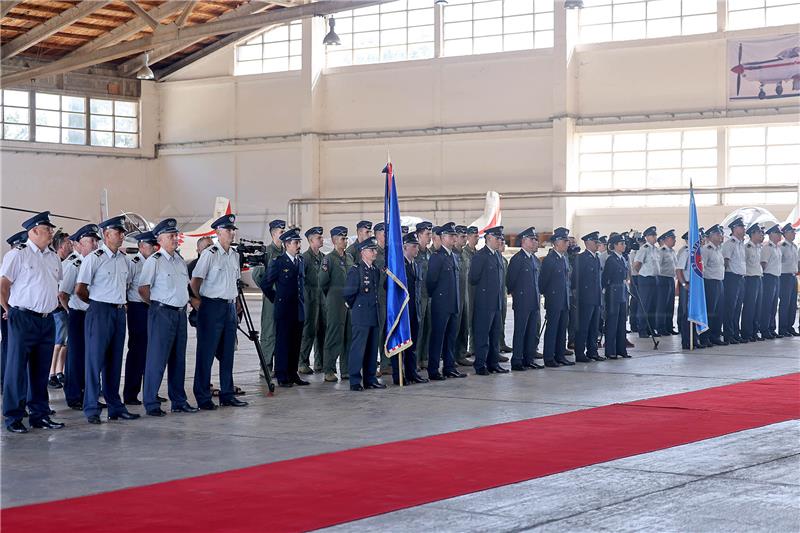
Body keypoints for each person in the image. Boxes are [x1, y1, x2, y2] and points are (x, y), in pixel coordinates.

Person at [1, 212, 66, 433]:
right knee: (16, 370)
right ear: (34, 231)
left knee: (40, 371)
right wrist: (8, 309)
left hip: (46, 320)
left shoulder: (53, 257)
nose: (51, 233)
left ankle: (40, 415)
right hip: (23, 317)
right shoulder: (18, 255)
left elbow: (53, 285)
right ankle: (13, 417)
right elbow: (3, 285)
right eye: (47, 230)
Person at [76, 215, 141, 425]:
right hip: (99, 311)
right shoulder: (94, 258)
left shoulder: (125, 260)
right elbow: (80, 289)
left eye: (123, 232)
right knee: (94, 361)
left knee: (114, 362)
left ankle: (115, 406)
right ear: (106, 235)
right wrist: (97, 304)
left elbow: (128, 284)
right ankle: (92, 408)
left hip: (118, 312)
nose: (122, 236)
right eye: (118, 232)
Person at [139, 218, 198, 417]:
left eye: (175, 235)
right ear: (160, 240)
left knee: (178, 360)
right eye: (171, 236)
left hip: (180, 314)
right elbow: (143, 289)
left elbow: (184, 288)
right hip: (162, 313)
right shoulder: (154, 261)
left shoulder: (180, 261)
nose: (175, 239)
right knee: (157, 359)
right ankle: (151, 402)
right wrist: (158, 305)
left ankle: (179, 401)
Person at [190, 214, 248, 410]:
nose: (232, 233)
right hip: (212, 306)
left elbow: (235, 282)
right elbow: (195, 281)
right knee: (206, 354)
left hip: (229, 307)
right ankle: (203, 396)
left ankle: (227, 394)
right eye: (228, 230)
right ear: (218, 232)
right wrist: (204, 299)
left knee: (227, 354)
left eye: (233, 230)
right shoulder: (210, 254)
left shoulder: (234, 255)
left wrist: (235, 302)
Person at [59, 224, 100, 410]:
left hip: (93, 314)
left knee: (92, 355)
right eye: (91, 241)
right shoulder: (73, 264)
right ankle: (74, 395)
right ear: (78, 245)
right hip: (78, 315)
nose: (95, 244)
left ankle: (90, 393)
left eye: (96, 240)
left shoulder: (96, 261)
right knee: (76, 356)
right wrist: (70, 312)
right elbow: (63, 294)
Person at [260, 228, 307, 388]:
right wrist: (275, 299)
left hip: (298, 310)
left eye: (299, 242)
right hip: (284, 310)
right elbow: (265, 283)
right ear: (287, 244)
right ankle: (282, 375)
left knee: (295, 343)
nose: (298, 245)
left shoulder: (300, 261)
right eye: (295, 242)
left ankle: (293, 374)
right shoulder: (278, 262)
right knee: (283, 343)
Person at [343, 237, 386, 391]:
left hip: (373, 314)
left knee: (372, 349)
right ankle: (355, 380)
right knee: (358, 349)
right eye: (371, 250)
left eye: (375, 249)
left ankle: (370, 379)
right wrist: (357, 308)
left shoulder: (375, 270)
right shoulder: (356, 270)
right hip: (361, 315)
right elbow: (348, 294)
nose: (375, 252)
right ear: (363, 252)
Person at [425, 223, 467, 380]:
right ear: (442, 238)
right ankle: (434, 369)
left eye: (455, 235)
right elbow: (431, 281)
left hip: (453, 304)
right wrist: (437, 298)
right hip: (441, 305)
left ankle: (449, 367)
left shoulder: (454, 256)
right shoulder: (437, 257)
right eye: (451, 236)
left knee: (451, 337)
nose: (454, 238)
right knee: (438, 338)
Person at [123, 231, 158, 406]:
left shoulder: (156, 261)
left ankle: (151, 392)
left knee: (153, 351)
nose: (155, 248)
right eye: (152, 245)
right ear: (142, 246)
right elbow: (125, 285)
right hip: (138, 308)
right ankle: (130, 393)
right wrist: (127, 305)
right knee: (137, 351)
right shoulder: (133, 263)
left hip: (153, 307)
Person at [469, 226, 509, 375]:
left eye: (501, 238)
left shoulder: (497, 256)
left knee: (494, 335)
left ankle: (493, 363)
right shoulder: (481, 256)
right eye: (497, 238)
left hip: (496, 302)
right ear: (489, 238)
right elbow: (473, 278)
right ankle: (480, 365)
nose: (500, 241)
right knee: (482, 335)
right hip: (484, 303)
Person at [392, 232, 429, 385]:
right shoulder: (399, 267)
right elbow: (389, 288)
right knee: (400, 345)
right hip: (403, 312)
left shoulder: (416, 264)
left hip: (414, 311)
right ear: (405, 247)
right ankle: (398, 376)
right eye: (414, 247)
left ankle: (412, 373)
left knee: (412, 345)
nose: (417, 249)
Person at [251, 219, 286, 375]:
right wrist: (269, 291)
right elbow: (257, 274)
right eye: (281, 232)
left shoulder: (285, 252)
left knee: (282, 333)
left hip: (285, 299)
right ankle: (265, 366)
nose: (284, 234)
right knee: (269, 331)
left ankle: (279, 365)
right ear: (273, 234)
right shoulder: (266, 252)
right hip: (272, 299)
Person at [506, 227, 543, 371]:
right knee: (520, 331)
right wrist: (517, 295)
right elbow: (510, 281)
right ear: (524, 241)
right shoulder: (517, 259)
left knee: (531, 331)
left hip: (534, 300)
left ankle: (529, 359)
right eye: (532, 239)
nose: (535, 242)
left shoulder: (534, 259)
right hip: (522, 301)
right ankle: (517, 360)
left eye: (535, 239)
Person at [320, 226, 352, 382]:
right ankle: (329, 369)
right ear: (333, 240)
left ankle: (346, 369)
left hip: (350, 303)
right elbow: (323, 282)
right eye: (341, 238)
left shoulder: (349, 258)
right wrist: (332, 297)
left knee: (349, 335)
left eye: (346, 238)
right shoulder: (329, 259)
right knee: (334, 335)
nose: (344, 241)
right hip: (335, 301)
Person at [539, 227, 575, 367]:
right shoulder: (550, 259)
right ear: (556, 242)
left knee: (562, 330)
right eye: (565, 241)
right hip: (554, 300)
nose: (567, 243)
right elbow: (543, 282)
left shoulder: (563, 258)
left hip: (564, 299)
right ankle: (549, 357)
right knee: (552, 329)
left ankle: (560, 356)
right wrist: (549, 295)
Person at [1, 230, 28, 392]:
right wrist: (7, 309)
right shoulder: (10, 260)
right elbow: (4, 288)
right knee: (9, 348)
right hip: (9, 308)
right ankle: (6, 382)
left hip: (14, 309)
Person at [572, 231, 603, 363]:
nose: (597, 245)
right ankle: (580, 353)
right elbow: (575, 279)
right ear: (588, 243)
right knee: (583, 327)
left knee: (594, 327)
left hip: (595, 297)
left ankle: (592, 351)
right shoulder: (581, 258)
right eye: (595, 242)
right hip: (585, 298)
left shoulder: (596, 258)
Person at [299, 226, 325, 375]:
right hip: (309, 299)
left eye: (321, 237)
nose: (321, 239)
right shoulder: (305, 258)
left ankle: (319, 362)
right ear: (310, 241)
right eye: (318, 238)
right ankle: (302, 362)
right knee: (308, 331)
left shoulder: (322, 258)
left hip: (321, 299)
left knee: (322, 330)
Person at [48, 230, 72, 389]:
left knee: (64, 343)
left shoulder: (65, 262)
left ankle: (59, 371)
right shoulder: (56, 261)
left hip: (63, 308)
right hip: (58, 308)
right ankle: (51, 374)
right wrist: (67, 308)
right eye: (69, 243)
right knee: (58, 342)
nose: (71, 245)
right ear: (62, 246)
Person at [602, 234, 630, 359]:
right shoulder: (611, 259)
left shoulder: (622, 258)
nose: (623, 246)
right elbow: (605, 278)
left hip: (622, 292)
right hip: (613, 293)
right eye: (621, 244)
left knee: (621, 323)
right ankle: (610, 350)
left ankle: (621, 349)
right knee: (612, 323)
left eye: (624, 243)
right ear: (614, 246)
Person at [721, 217, 747, 344]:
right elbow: (726, 262)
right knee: (730, 308)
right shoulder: (729, 244)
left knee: (737, 308)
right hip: (731, 278)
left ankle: (736, 333)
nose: (744, 229)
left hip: (740, 278)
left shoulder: (741, 244)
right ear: (734, 229)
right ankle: (728, 334)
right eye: (741, 227)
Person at [700, 225, 726, 347]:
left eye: (721, 234)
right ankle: (705, 337)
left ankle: (715, 336)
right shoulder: (706, 249)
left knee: (719, 311)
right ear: (710, 236)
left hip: (719, 281)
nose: (721, 236)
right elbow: (701, 268)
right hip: (709, 282)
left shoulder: (718, 249)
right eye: (718, 234)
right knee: (710, 311)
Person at [455, 225, 478, 364]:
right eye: (462, 237)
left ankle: (461, 354)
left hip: (466, 294)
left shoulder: (464, 255)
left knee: (464, 325)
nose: (465, 239)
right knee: (454, 328)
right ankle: (451, 355)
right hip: (454, 296)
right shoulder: (451, 254)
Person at [633, 226, 659, 338]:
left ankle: (651, 328)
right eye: (653, 236)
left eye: (655, 235)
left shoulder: (655, 249)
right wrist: (642, 273)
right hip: (645, 279)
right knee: (644, 304)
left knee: (653, 305)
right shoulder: (644, 248)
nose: (655, 237)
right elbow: (636, 265)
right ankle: (642, 328)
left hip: (654, 278)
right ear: (647, 237)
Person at [414, 221, 433, 370]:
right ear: (419, 235)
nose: (430, 238)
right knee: (418, 330)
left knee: (428, 327)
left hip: (429, 295)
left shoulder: (430, 253)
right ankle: (415, 359)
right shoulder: (414, 253)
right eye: (427, 235)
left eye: (431, 235)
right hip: (418, 297)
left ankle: (424, 357)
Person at [741, 223, 765, 343]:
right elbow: (743, 263)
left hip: (759, 278)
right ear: (753, 234)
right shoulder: (747, 247)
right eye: (759, 232)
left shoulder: (758, 248)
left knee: (757, 307)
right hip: (750, 279)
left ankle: (755, 331)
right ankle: (747, 332)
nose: (761, 234)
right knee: (749, 307)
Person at [760, 224, 783, 339]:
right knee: (767, 305)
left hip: (776, 278)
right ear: (772, 234)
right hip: (768, 277)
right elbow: (763, 264)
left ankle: (771, 328)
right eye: (778, 234)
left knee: (774, 305)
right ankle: (764, 329)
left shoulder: (777, 248)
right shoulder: (767, 247)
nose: (780, 236)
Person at [778, 223, 799, 337]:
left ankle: (790, 327)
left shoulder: (794, 246)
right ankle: (782, 328)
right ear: (785, 234)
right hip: (784, 277)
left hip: (793, 276)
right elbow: (778, 262)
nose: (794, 234)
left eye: (794, 232)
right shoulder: (782, 246)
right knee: (785, 303)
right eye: (792, 232)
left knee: (792, 303)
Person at [656, 229, 678, 335]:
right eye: (672, 238)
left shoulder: (672, 251)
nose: (674, 240)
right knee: (662, 305)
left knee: (670, 305)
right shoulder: (661, 251)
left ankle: (669, 326)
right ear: (666, 239)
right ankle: (661, 327)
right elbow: (657, 266)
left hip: (670, 279)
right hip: (662, 279)